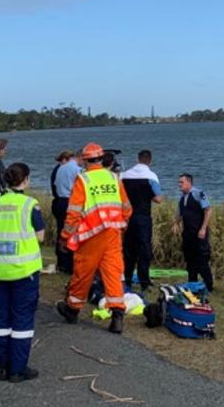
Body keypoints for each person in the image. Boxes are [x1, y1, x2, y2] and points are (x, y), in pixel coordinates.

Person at [56, 143, 132, 334]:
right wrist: (121, 224)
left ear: (85, 160)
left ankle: (72, 309)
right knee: (113, 273)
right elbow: (126, 208)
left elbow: (73, 212)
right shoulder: (114, 177)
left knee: (83, 272)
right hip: (113, 232)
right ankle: (117, 316)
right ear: (101, 158)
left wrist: (65, 236)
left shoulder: (83, 180)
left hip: (91, 234)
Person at [0, 163, 45, 383]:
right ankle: (17, 370)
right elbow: (40, 237)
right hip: (23, 270)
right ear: (26, 180)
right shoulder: (29, 205)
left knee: (3, 318)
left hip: (0, 270)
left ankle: (3, 366)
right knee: (22, 320)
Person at [122, 149, 163, 291]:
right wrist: (147, 196)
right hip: (143, 216)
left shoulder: (125, 175)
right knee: (144, 248)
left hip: (127, 216)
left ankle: (127, 278)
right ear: (150, 161)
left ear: (137, 159)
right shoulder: (151, 176)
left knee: (128, 248)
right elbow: (158, 199)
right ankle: (144, 280)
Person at [176, 173, 214, 291]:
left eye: (182, 182)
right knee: (190, 260)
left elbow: (208, 210)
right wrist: (175, 223)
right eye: (179, 183)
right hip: (188, 233)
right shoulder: (182, 198)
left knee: (202, 260)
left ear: (189, 182)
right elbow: (180, 214)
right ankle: (192, 284)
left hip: (199, 232)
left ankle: (208, 286)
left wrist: (203, 228)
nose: (179, 185)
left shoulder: (198, 194)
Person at [52, 150, 83, 273]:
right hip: (71, 202)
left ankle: (62, 262)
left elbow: (55, 184)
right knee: (73, 232)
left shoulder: (61, 168)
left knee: (62, 231)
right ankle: (71, 264)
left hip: (60, 201)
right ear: (80, 157)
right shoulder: (77, 170)